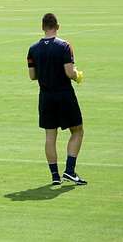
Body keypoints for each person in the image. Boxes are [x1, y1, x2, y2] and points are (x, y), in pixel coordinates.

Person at [27, 13, 86, 186]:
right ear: (57, 26)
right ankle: (69, 170)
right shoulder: (65, 46)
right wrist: (77, 75)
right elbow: (69, 72)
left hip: (45, 96)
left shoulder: (33, 49)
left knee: (50, 136)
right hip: (64, 94)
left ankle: (54, 176)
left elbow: (32, 76)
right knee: (77, 131)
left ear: (42, 27)